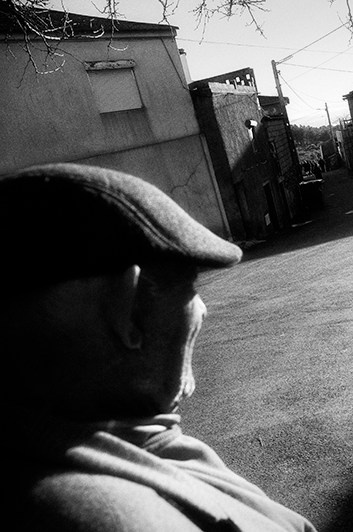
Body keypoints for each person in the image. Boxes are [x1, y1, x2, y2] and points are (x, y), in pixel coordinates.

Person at [3, 163, 317, 532]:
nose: (202, 310)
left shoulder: (118, 442)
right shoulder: (113, 517)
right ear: (129, 308)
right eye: (190, 288)